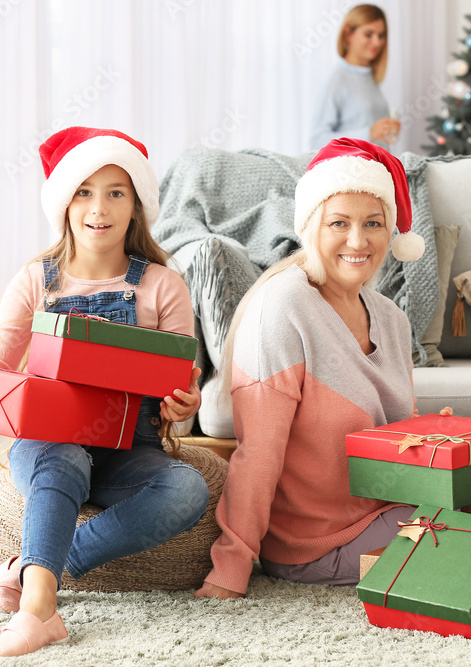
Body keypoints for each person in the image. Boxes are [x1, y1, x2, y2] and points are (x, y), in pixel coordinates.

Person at [0, 126, 209, 657]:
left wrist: (187, 403)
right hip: (47, 446)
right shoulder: (36, 281)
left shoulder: (163, 285)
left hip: (128, 451)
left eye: (116, 192)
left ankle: (36, 569)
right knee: (64, 456)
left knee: (188, 490)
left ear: (136, 206)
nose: (100, 207)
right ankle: (38, 612)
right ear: (65, 203)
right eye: (85, 191)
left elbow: (183, 382)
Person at [194, 138, 424, 599]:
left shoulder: (391, 319)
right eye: (339, 223)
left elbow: (395, 444)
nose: (358, 241)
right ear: (312, 227)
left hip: (393, 512)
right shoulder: (283, 306)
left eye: (373, 224)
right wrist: (231, 568)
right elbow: (257, 454)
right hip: (315, 544)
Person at [310, 4, 400, 151]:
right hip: (354, 171)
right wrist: (369, 133)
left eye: (381, 35)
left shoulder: (369, 79)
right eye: (368, 34)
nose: (377, 42)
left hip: (376, 169)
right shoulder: (337, 81)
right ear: (348, 34)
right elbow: (317, 141)